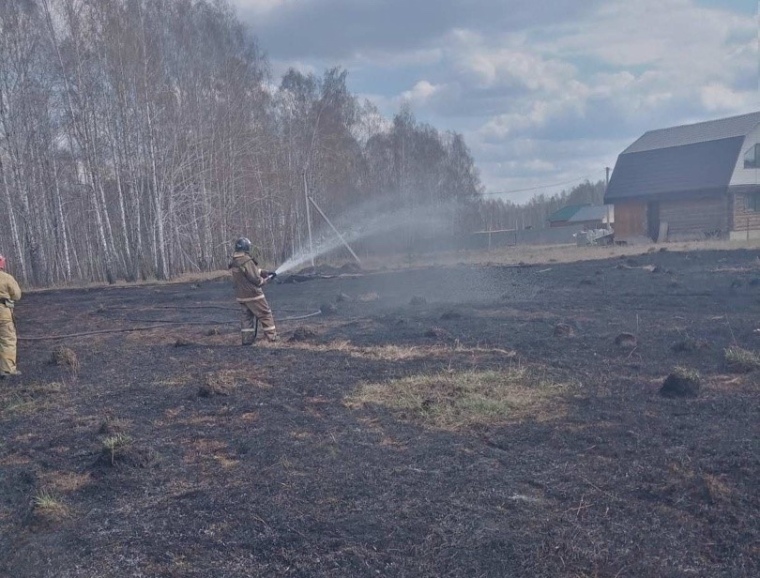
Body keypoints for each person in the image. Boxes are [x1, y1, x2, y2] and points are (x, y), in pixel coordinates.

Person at [228, 238, 278, 345]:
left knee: (246, 318)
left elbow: (249, 271)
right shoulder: (247, 260)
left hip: (241, 295)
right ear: (246, 247)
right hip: (253, 294)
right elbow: (256, 279)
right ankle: (271, 338)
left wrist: (264, 272)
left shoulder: (235, 260)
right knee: (265, 314)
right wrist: (265, 280)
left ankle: (247, 340)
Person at [0, 254, 22, 378]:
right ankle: (7, 369)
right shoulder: (7, 278)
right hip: (3, 314)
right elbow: (17, 295)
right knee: (7, 340)